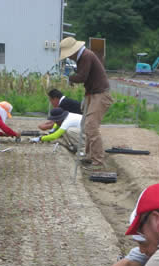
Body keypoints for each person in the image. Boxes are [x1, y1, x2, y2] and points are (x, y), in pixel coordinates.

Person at [58, 37, 113, 172]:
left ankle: (98, 161)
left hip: (100, 95)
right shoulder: (83, 57)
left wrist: (69, 77)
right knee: (86, 125)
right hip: (92, 94)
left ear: (73, 51)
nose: (69, 58)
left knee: (91, 126)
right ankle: (90, 156)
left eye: (69, 55)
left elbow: (82, 77)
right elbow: (85, 77)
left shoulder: (86, 56)